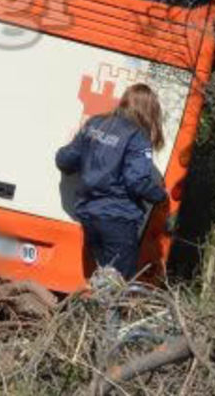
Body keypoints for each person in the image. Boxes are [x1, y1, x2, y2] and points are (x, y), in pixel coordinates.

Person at [55, 83, 168, 280]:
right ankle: (110, 312)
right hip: (118, 219)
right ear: (149, 110)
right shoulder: (137, 136)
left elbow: (65, 160)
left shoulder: (95, 124)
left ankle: (96, 310)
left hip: (88, 215)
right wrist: (160, 196)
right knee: (117, 285)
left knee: (102, 280)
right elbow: (136, 181)